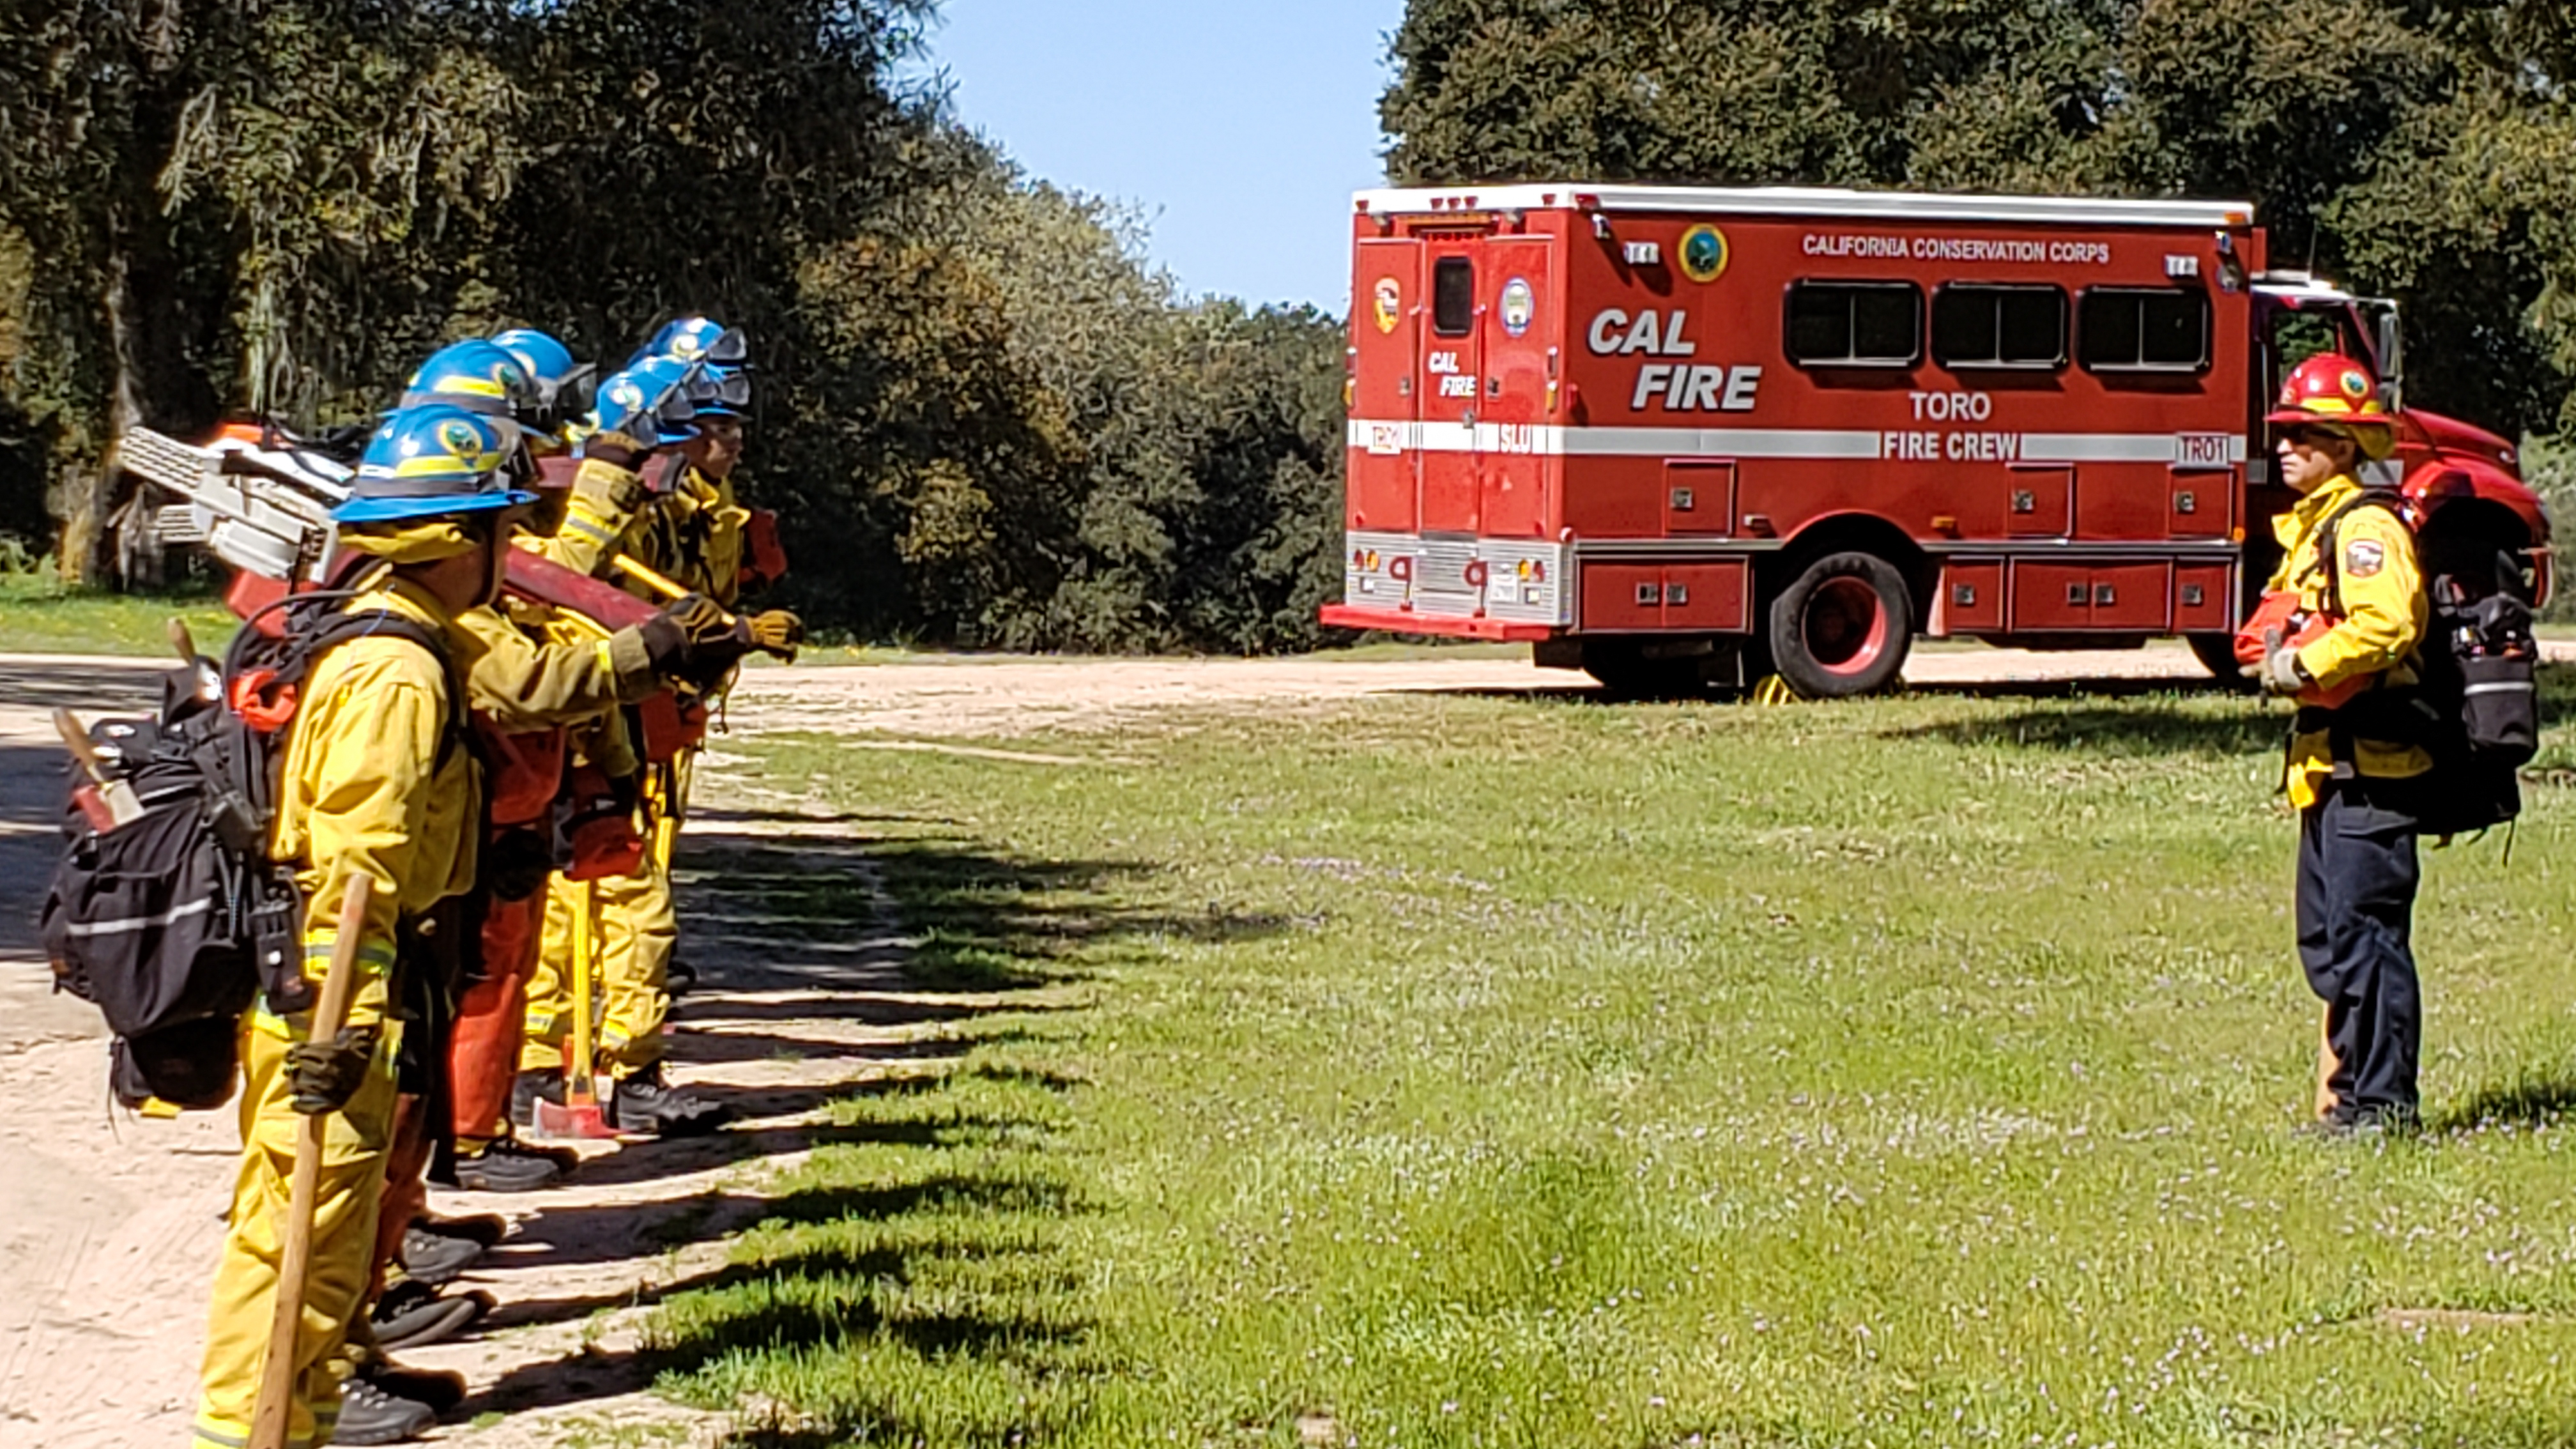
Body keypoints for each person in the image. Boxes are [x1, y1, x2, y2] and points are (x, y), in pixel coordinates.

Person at [193, 404, 534, 1449]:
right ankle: (257, 1428)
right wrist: (341, 1023)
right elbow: (353, 864)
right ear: (455, 539)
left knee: (324, 1237)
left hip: (345, 989)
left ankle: (300, 1412)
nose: (509, 553)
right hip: (333, 997)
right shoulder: (396, 671)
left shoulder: (391, 622)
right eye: (499, 530)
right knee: (297, 1238)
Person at [2239, 353, 2427, 1137]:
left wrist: (2303, 663)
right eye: (2283, 433)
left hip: (2373, 770)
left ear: (2347, 446)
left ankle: (2384, 1109)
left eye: (2305, 435)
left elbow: (2388, 626)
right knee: (2328, 943)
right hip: (2327, 770)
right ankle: (2348, 1103)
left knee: (2367, 940)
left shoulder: (2364, 528)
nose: (2285, 447)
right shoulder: (2312, 528)